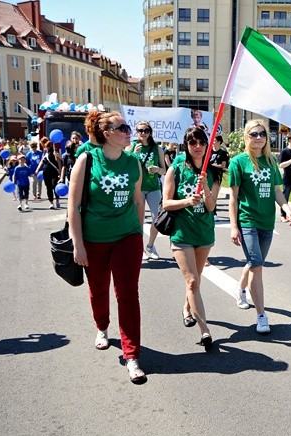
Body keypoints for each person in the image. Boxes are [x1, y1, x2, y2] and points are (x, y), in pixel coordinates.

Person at [68, 110, 145, 384]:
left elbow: (138, 200)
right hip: (95, 238)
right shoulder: (87, 159)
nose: (128, 132)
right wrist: (78, 243)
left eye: (128, 127)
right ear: (107, 133)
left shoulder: (134, 162)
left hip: (127, 235)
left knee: (128, 293)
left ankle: (132, 354)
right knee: (99, 288)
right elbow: (74, 206)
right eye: (122, 127)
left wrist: (138, 232)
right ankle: (102, 327)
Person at [228, 119, 291, 334]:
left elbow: (277, 191)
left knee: (254, 263)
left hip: (267, 221)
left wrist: (286, 207)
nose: (258, 137)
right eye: (253, 134)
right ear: (246, 137)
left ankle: (240, 288)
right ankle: (261, 315)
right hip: (248, 220)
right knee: (257, 265)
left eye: (262, 134)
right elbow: (233, 197)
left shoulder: (270, 161)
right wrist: (233, 226)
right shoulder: (238, 162)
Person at [163, 127, 222, 350]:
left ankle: (187, 308)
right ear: (186, 145)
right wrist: (188, 201)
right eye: (192, 143)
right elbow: (166, 203)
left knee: (195, 279)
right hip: (182, 233)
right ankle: (205, 331)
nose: (197, 147)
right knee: (192, 281)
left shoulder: (214, 173)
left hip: (204, 233)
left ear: (207, 145)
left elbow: (210, 206)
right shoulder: (176, 169)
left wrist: (205, 185)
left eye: (201, 142)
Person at [126, 121, 165, 260]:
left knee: (157, 219)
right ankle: (140, 248)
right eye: (140, 130)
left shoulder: (157, 148)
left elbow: (164, 170)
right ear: (136, 132)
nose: (143, 133)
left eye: (146, 130)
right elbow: (124, 167)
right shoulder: (131, 147)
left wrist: (157, 170)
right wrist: (133, 154)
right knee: (138, 221)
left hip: (153, 187)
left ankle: (150, 245)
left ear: (150, 132)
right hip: (138, 188)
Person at [35, 137, 64, 209]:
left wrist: (60, 173)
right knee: (48, 187)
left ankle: (57, 200)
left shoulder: (55, 151)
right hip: (46, 171)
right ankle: (51, 202)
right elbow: (42, 161)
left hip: (54, 171)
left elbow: (59, 162)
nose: (43, 146)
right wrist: (37, 169)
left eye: (43, 144)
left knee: (54, 185)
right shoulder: (45, 152)